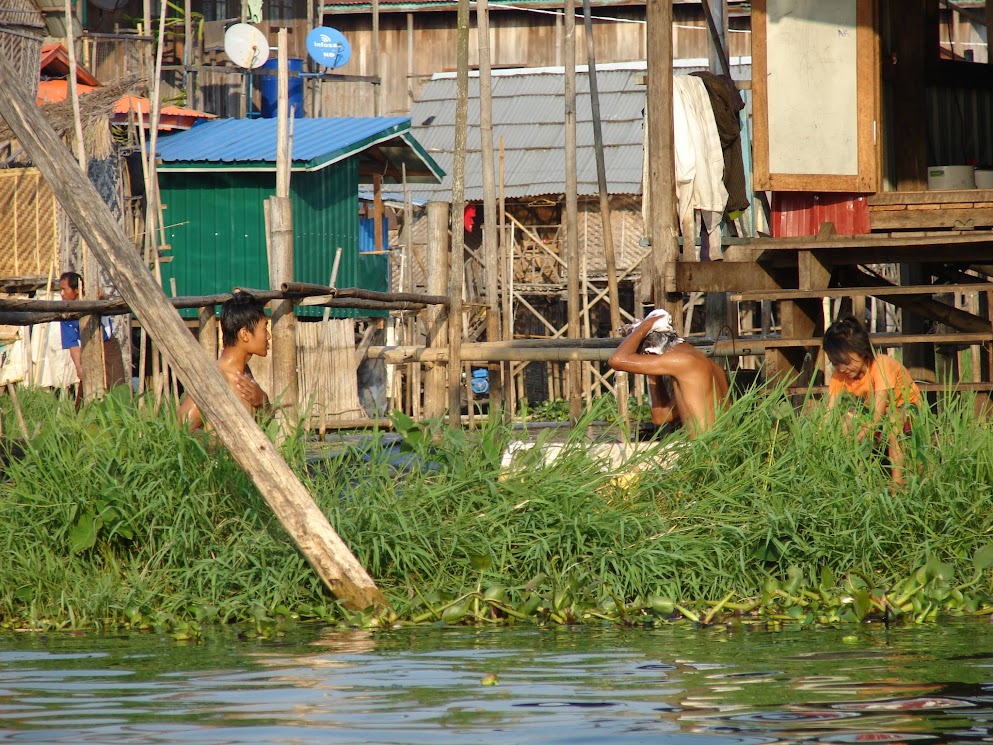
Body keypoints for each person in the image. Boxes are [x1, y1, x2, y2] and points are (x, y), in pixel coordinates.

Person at [822, 314, 922, 488]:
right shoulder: (840, 375)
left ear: (861, 350)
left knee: (893, 421)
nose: (841, 368)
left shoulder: (881, 365)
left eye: (845, 362)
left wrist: (859, 436)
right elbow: (829, 412)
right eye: (835, 363)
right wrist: (823, 436)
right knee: (847, 421)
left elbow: (877, 414)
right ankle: (858, 481)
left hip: (908, 409)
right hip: (875, 412)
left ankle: (897, 484)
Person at [608, 308, 729, 437]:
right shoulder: (706, 365)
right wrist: (652, 370)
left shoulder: (682, 361)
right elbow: (660, 416)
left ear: (650, 345)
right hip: (720, 451)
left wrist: (647, 324)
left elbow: (617, 360)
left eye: (641, 354)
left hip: (705, 452)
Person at [178, 291, 271, 431]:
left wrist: (263, 402)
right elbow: (179, 433)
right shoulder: (214, 381)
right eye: (265, 328)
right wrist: (219, 444)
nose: (268, 336)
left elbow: (261, 427)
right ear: (245, 334)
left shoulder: (244, 373)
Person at [58, 271, 126, 406]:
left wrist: (102, 296)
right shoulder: (66, 313)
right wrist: (79, 366)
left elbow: (103, 298)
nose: (61, 294)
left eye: (64, 289)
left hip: (107, 346)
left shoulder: (93, 300)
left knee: (115, 385)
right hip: (87, 347)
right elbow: (72, 343)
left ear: (76, 289)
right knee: (86, 389)